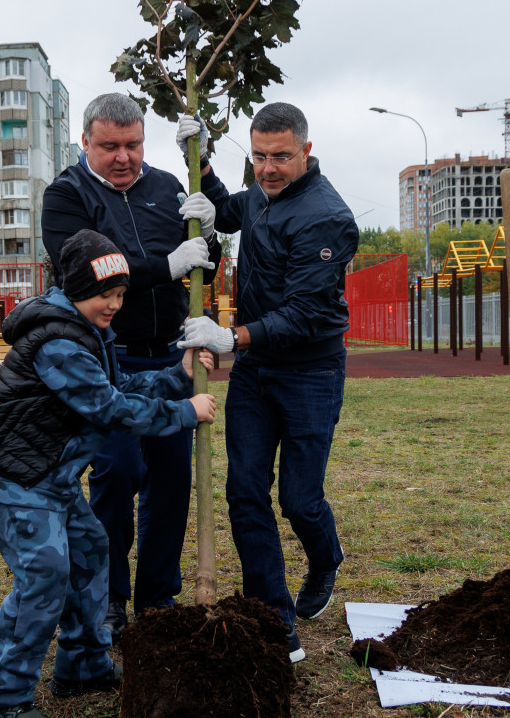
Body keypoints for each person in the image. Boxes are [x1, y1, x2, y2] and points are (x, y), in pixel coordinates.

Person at [0, 229, 217, 718]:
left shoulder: (86, 332)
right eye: (107, 294)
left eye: (121, 294)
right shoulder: (58, 342)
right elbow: (111, 409)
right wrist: (186, 411)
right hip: (12, 478)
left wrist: (178, 374)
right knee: (45, 575)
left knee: (89, 552)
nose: (116, 304)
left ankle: (82, 665)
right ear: (78, 289)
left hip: (47, 475)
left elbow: (119, 385)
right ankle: (0, 697)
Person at [40, 92, 227, 637]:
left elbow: (203, 274)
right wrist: (169, 264)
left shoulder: (168, 187)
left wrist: (210, 237)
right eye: (110, 146)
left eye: (133, 145)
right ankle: (112, 596)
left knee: (171, 480)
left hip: (171, 354)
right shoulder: (65, 196)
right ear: (85, 143)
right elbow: (89, 275)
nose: (123, 157)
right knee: (118, 475)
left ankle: (157, 599)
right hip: (107, 358)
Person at [178, 102, 359, 664]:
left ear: (306, 150)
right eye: (258, 156)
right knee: (245, 491)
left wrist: (232, 337)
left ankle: (326, 558)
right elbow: (233, 211)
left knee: (299, 501)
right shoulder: (261, 190)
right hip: (258, 372)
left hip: (310, 369)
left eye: (281, 156)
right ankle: (276, 618)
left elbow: (306, 312)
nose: (268, 168)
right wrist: (201, 165)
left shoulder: (327, 217)